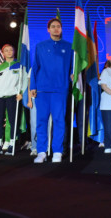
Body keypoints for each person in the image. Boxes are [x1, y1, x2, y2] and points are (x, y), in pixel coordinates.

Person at [30, 18, 73, 163]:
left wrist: (74, 74)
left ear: (61, 29)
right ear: (48, 29)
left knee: (59, 120)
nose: (56, 29)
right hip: (42, 89)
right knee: (41, 121)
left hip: (60, 89)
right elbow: (35, 67)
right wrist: (33, 86)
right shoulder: (40, 46)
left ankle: (57, 151)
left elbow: (73, 67)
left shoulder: (69, 47)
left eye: (58, 27)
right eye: (53, 27)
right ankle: (41, 151)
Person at [0, 44, 28, 155]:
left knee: (12, 120)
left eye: (11, 50)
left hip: (12, 97)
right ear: (3, 53)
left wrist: (21, 93)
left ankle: (11, 144)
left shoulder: (19, 65)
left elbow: (24, 80)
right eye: (6, 50)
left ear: (14, 51)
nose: (9, 52)